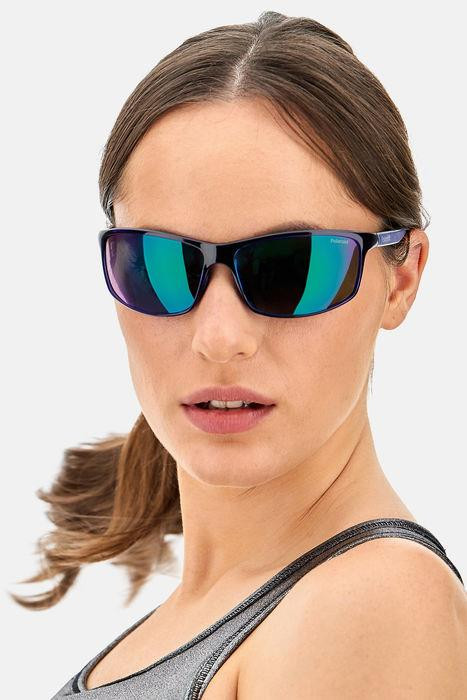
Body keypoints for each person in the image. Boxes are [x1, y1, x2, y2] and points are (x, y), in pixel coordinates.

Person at [14, 10, 467, 699]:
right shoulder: (214, 615)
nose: (219, 336)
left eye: (290, 268)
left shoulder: (369, 605)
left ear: (400, 279)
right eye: (162, 266)